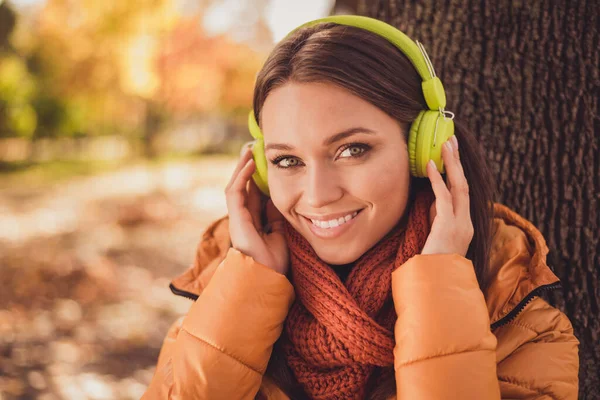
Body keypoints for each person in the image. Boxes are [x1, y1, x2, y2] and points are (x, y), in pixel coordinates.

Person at [141, 15, 579, 400]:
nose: (317, 194)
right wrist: (248, 290)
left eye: (352, 150)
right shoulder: (222, 295)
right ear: (259, 170)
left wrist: (440, 287)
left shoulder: (523, 325)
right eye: (287, 160)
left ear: (422, 148)